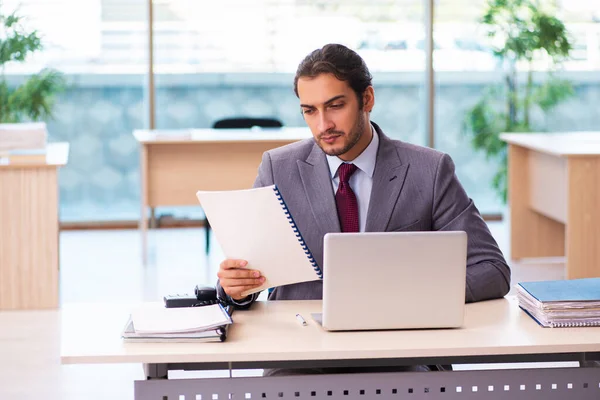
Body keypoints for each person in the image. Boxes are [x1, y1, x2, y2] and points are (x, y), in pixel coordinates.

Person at [216, 43, 510, 308]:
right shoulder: (277, 168)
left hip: (401, 347)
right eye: (309, 111)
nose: (323, 125)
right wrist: (236, 287)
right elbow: (243, 276)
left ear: (367, 99)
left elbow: (492, 269)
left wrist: (415, 297)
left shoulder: (429, 170)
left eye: (335, 106)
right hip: (302, 350)